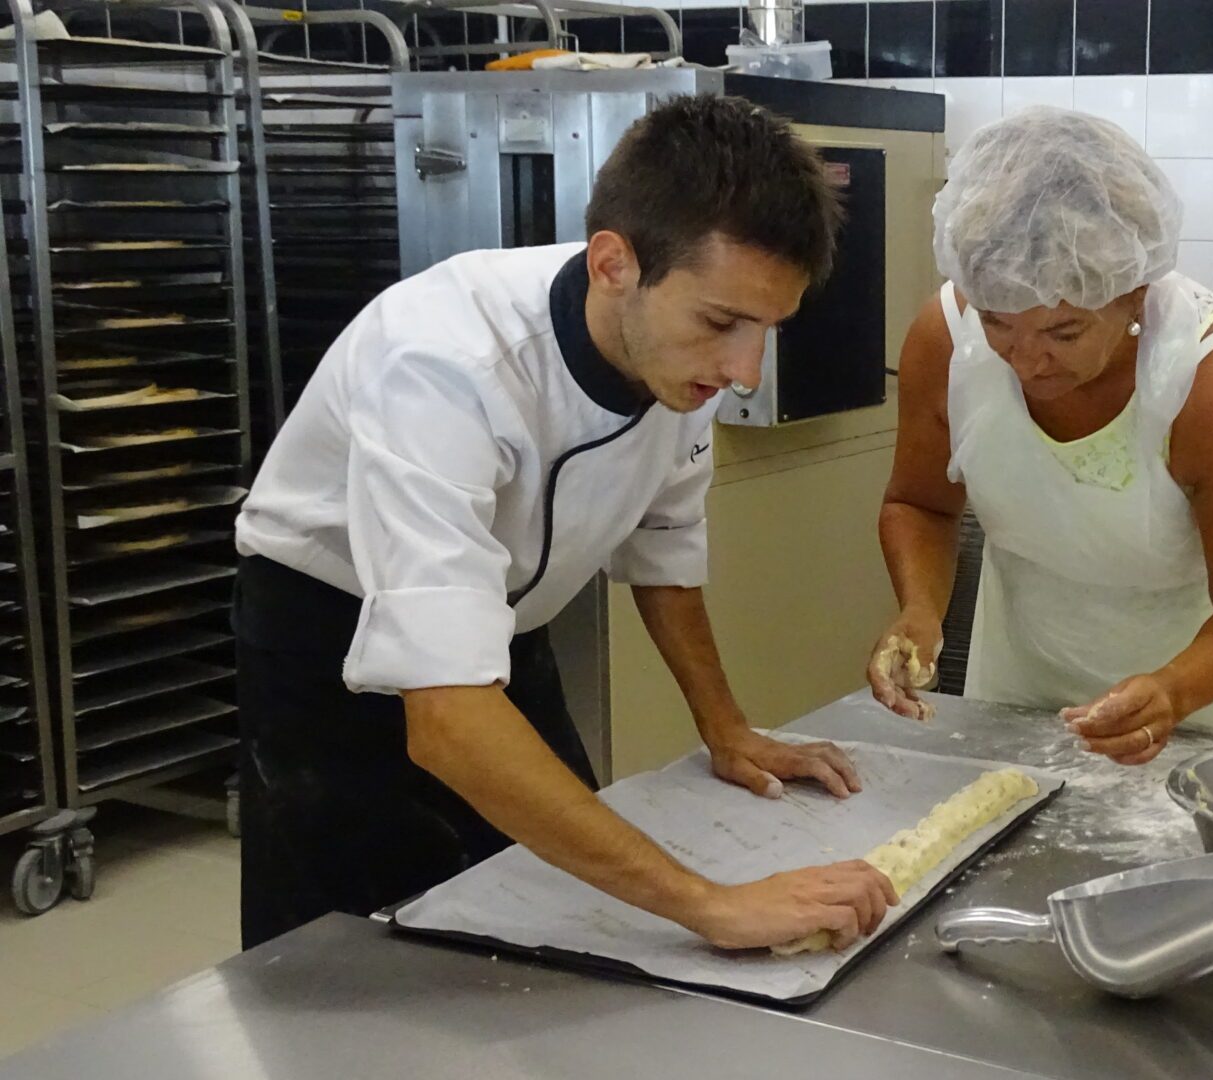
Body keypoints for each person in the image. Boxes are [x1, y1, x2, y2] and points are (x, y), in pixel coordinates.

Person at [233, 95, 894, 950]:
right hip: (327, 641)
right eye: (722, 322)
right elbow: (444, 718)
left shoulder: (676, 355)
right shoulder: (443, 363)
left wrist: (726, 729)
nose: (742, 369)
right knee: (342, 956)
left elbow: (662, 548)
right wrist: (710, 904)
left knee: (554, 913)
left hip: (504, 628)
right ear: (615, 263)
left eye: (767, 326)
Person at [867, 107, 1213, 762]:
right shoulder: (947, 341)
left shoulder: (1211, 378)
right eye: (998, 324)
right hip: (1017, 686)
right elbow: (920, 505)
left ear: (1133, 292)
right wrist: (920, 613)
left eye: (1064, 333)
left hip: (1199, 699)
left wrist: (1172, 692)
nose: (1025, 360)